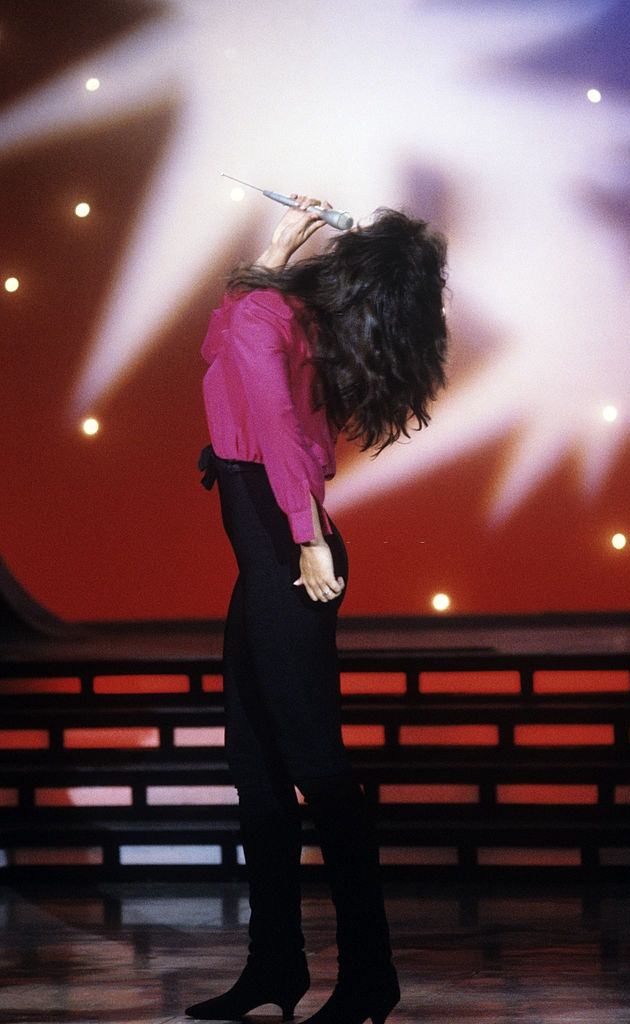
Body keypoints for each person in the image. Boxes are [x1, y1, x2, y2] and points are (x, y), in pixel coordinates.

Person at [185, 196, 448, 1024]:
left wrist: (306, 537)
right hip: (270, 555)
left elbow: (270, 424)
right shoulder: (276, 309)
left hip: (287, 552)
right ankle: (275, 966)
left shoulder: (272, 312)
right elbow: (216, 353)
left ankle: (370, 974)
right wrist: (269, 249)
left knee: (315, 768)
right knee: (253, 767)